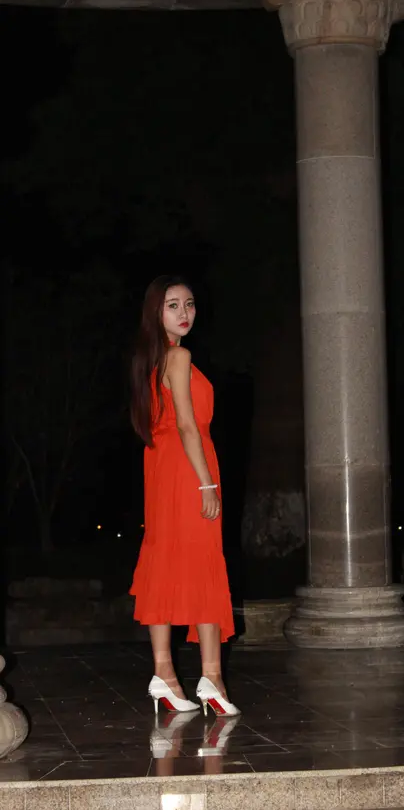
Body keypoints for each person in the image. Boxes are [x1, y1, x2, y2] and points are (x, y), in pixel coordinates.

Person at [129, 275, 239, 718]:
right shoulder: (179, 356)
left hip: (160, 468)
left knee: (164, 559)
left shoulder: (152, 361)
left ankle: (165, 674)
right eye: (173, 305)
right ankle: (211, 676)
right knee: (202, 560)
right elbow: (188, 426)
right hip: (187, 466)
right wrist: (207, 483)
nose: (184, 313)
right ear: (156, 313)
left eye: (189, 304)